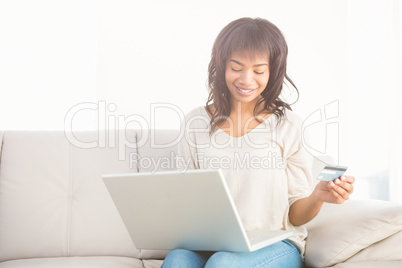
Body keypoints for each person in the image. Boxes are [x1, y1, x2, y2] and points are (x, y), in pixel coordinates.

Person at [162, 17, 355, 268]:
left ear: (272, 71)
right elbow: (184, 199)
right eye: (236, 67)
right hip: (212, 244)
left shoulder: (288, 125)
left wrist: (317, 196)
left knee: (223, 264)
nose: (246, 79)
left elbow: (296, 216)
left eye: (258, 70)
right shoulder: (194, 122)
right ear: (221, 65)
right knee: (177, 260)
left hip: (275, 244)